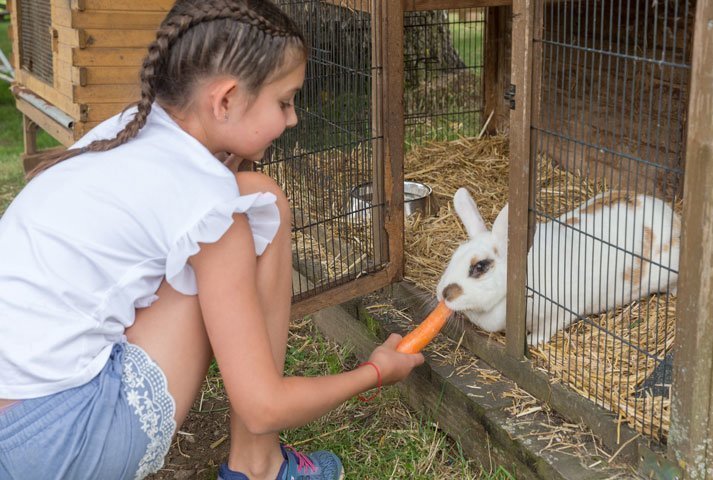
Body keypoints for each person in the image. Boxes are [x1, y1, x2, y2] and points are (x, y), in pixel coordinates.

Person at [0, 1, 424, 479]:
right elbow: (263, 407)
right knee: (250, 212)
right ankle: (260, 468)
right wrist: (375, 373)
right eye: (284, 101)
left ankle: (258, 463)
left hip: (14, 425)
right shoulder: (207, 203)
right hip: (55, 447)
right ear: (224, 101)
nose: (293, 120)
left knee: (255, 196)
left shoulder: (127, 130)